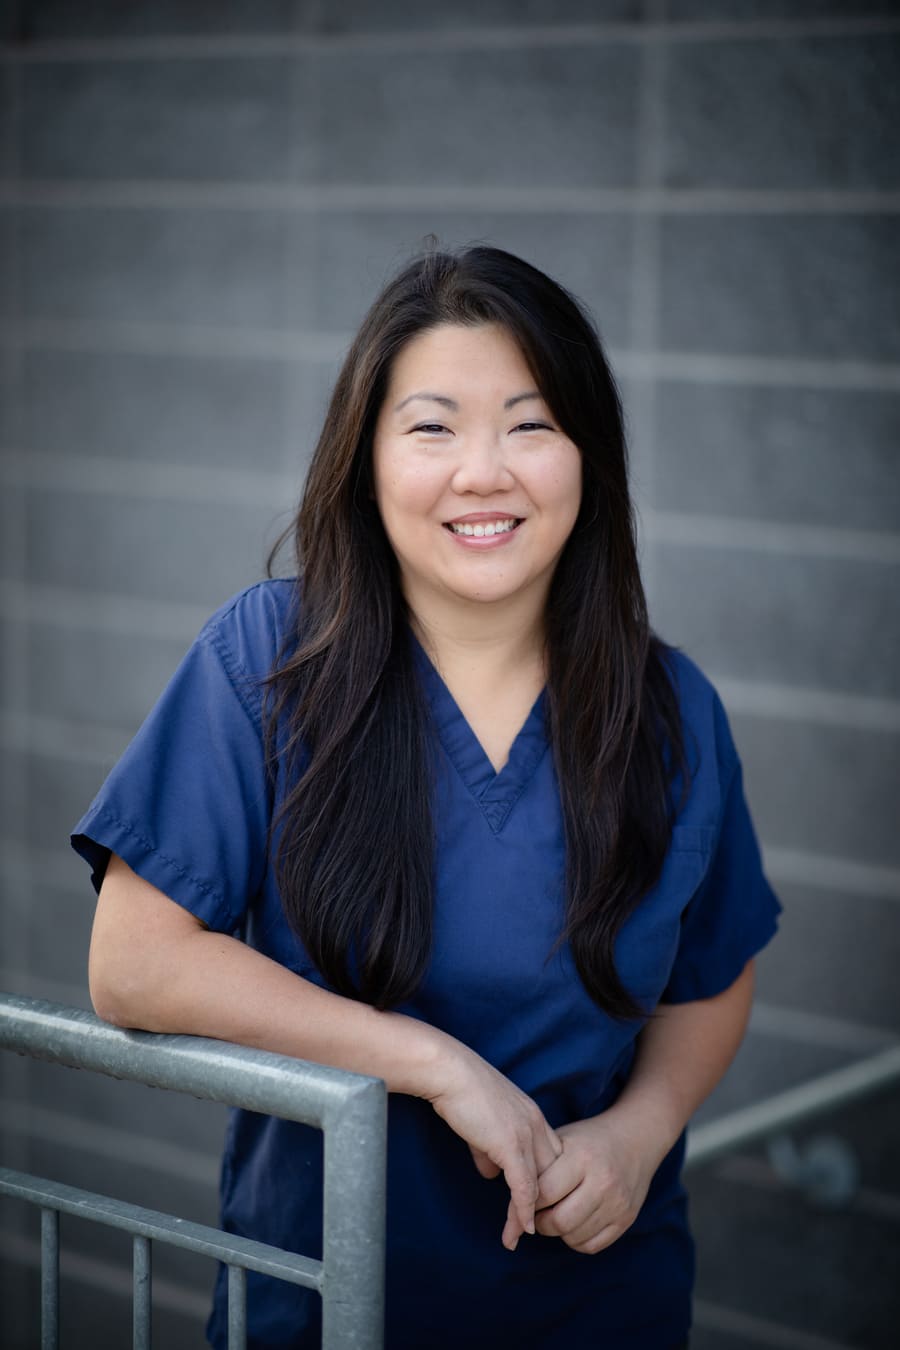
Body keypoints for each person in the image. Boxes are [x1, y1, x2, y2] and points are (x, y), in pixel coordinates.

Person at [73, 244, 780, 1350]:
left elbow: (712, 977)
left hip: (602, 1303)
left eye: (531, 424)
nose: (483, 471)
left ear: (589, 458)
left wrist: (641, 1135)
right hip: (325, 1305)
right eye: (433, 426)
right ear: (366, 461)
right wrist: (434, 1065)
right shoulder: (267, 662)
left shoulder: (672, 709)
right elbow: (131, 962)